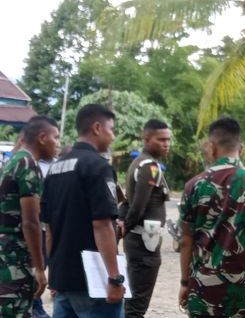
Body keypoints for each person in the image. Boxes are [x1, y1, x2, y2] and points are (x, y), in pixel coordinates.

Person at [179, 117, 245, 317]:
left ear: (211, 147)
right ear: (242, 149)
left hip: (203, 293)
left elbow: (186, 241)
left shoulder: (193, 185)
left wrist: (185, 282)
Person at [40, 104, 125, 317]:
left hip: (63, 279)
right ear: (97, 128)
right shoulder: (98, 166)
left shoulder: (55, 168)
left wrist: (55, 274)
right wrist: (115, 278)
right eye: (111, 129)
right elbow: (103, 225)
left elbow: (49, 229)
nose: (113, 136)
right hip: (93, 282)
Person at [0, 116, 59, 317]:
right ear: (42, 137)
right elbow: (31, 222)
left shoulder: (12, 161)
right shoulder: (27, 163)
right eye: (56, 138)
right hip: (16, 259)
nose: (58, 144)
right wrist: (39, 268)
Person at [119, 119, 171, 317]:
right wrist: (126, 227)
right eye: (161, 139)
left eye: (168, 140)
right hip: (144, 243)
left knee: (133, 300)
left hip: (139, 241)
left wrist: (124, 226)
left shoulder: (139, 162)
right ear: (146, 138)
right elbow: (138, 207)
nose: (166, 144)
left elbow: (127, 202)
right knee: (137, 305)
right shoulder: (150, 167)